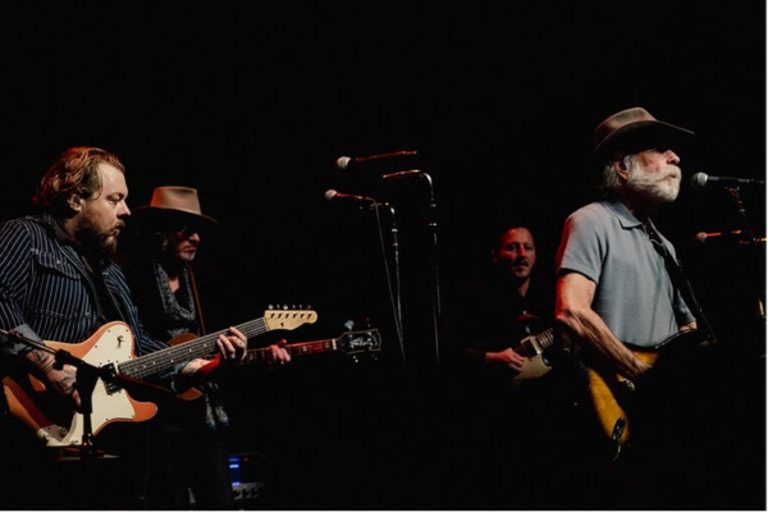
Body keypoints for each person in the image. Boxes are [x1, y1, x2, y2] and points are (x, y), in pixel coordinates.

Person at [0, 147, 248, 509]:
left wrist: (196, 366)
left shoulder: (111, 275)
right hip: (19, 426)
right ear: (74, 200)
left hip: (87, 443)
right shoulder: (26, 236)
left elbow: (138, 345)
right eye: (115, 199)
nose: (125, 211)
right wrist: (47, 364)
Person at [554, 107, 706, 506]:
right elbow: (570, 309)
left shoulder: (664, 244)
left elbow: (687, 330)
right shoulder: (591, 221)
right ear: (622, 167)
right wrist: (639, 372)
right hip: (614, 400)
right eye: (661, 150)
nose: (676, 158)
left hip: (659, 414)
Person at [119, 185, 291, 509]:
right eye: (186, 229)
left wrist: (258, 356)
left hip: (201, 411)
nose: (196, 238)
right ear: (160, 231)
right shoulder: (130, 276)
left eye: (198, 231)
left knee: (219, 501)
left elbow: (221, 351)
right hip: (153, 413)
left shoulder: (204, 282)